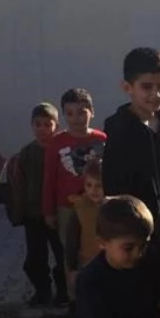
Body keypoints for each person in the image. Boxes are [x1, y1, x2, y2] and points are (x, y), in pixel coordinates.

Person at [103, 47, 160, 222]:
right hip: (135, 228)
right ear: (127, 87)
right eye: (146, 87)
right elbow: (114, 189)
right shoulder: (118, 128)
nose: (156, 94)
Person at [43, 89, 107, 301]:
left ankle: (99, 297)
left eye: (81, 112)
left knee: (98, 249)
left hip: (97, 206)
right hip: (66, 208)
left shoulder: (102, 139)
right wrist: (49, 211)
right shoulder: (57, 143)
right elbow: (49, 179)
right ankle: (74, 300)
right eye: (69, 113)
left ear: (92, 112)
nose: (76, 118)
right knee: (70, 253)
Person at [6, 102, 67, 306]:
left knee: (63, 256)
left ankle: (64, 293)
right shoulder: (26, 153)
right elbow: (18, 184)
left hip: (58, 213)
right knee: (35, 258)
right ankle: (42, 291)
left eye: (47, 125)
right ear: (32, 126)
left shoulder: (62, 151)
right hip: (34, 214)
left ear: (56, 126)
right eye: (37, 124)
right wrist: (18, 211)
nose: (42, 129)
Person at [64, 157, 106, 298]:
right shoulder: (80, 206)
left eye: (98, 185)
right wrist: (72, 268)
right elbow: (71, 240)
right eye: (89, 185)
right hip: (87, 264)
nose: (93, 190)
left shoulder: (114, 206)